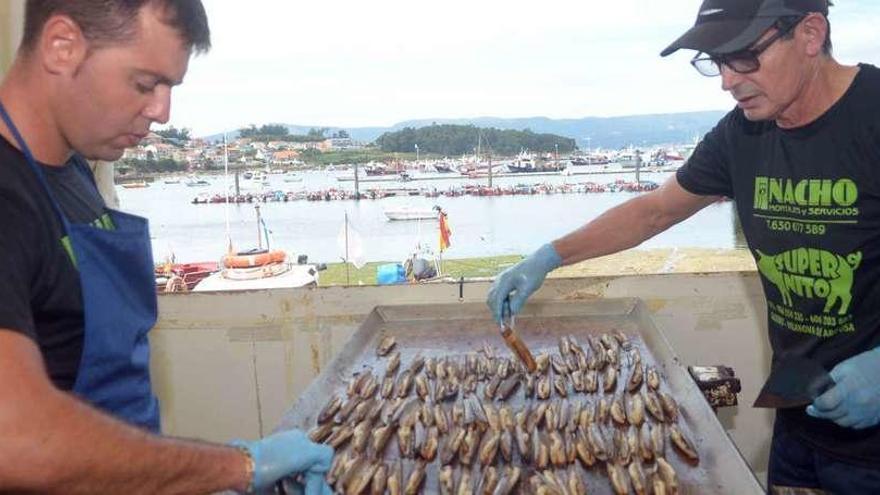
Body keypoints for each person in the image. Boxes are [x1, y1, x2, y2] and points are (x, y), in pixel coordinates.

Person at [488, 0, 880, 490]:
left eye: (743, 57)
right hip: (799, 423)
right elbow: (657, 210)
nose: (728, 81)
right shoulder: (742, 133)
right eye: (716, 62)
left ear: (810, 33)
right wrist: (549, 256)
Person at [0, 1, 332, 493]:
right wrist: (236, 468)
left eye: (169, 88)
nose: (161, 111)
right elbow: (15, 437)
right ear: (61, 45)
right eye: (144, 84)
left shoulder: (70, 171)